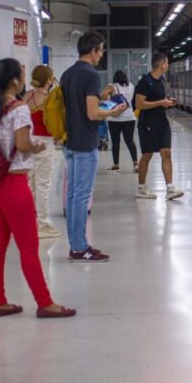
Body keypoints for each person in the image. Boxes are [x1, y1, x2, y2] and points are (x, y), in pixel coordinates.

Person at [0, 58, 76, 319]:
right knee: (29, 247)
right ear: (13, 81)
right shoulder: (17, 108)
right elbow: (21, 144)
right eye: (21, 74)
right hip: (12, 185)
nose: (24, 78)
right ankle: (45, 302)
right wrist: (36, 146)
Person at [61, 32, 127, 262]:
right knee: (80, 197)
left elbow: (79, 105)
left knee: (71, 196)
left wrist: (101, 96)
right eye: (101, 50)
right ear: (93, 50)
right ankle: (79, 247)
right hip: (84, 143)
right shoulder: (90, 75)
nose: (102, 54)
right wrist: (112, 111)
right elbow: (91, 113)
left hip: (69, 142)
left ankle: (76, 244)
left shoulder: (68, 74)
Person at [135, 53, 184, 200]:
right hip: (147, 123)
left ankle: (170, 189)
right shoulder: (145, 81)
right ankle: (141, 188)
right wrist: (161, 103)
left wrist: (168, 101)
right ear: (162, 65)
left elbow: (158, 100)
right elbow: (139, 104)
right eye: (167, 63)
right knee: (147, 155)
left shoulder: (161, 81)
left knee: (166, 152)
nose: (168, 65)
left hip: (162, 121)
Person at [24, 65, 61, 238]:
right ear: (49, 79)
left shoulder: (27, 96)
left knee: (29, 182)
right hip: (44, 142)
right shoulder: (48, 98)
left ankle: (29, 221)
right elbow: (53, 122)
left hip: (28, 141)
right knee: (43, 184)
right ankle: (43, 222)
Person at [101, 70, 139, 173]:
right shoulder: (131, 86)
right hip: (129, 117)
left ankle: (116, 165)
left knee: (115, 142)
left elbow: (103, 96)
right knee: (130, 141)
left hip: (114, 118)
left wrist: (107, 88)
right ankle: (135, 163)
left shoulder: (113, 86)